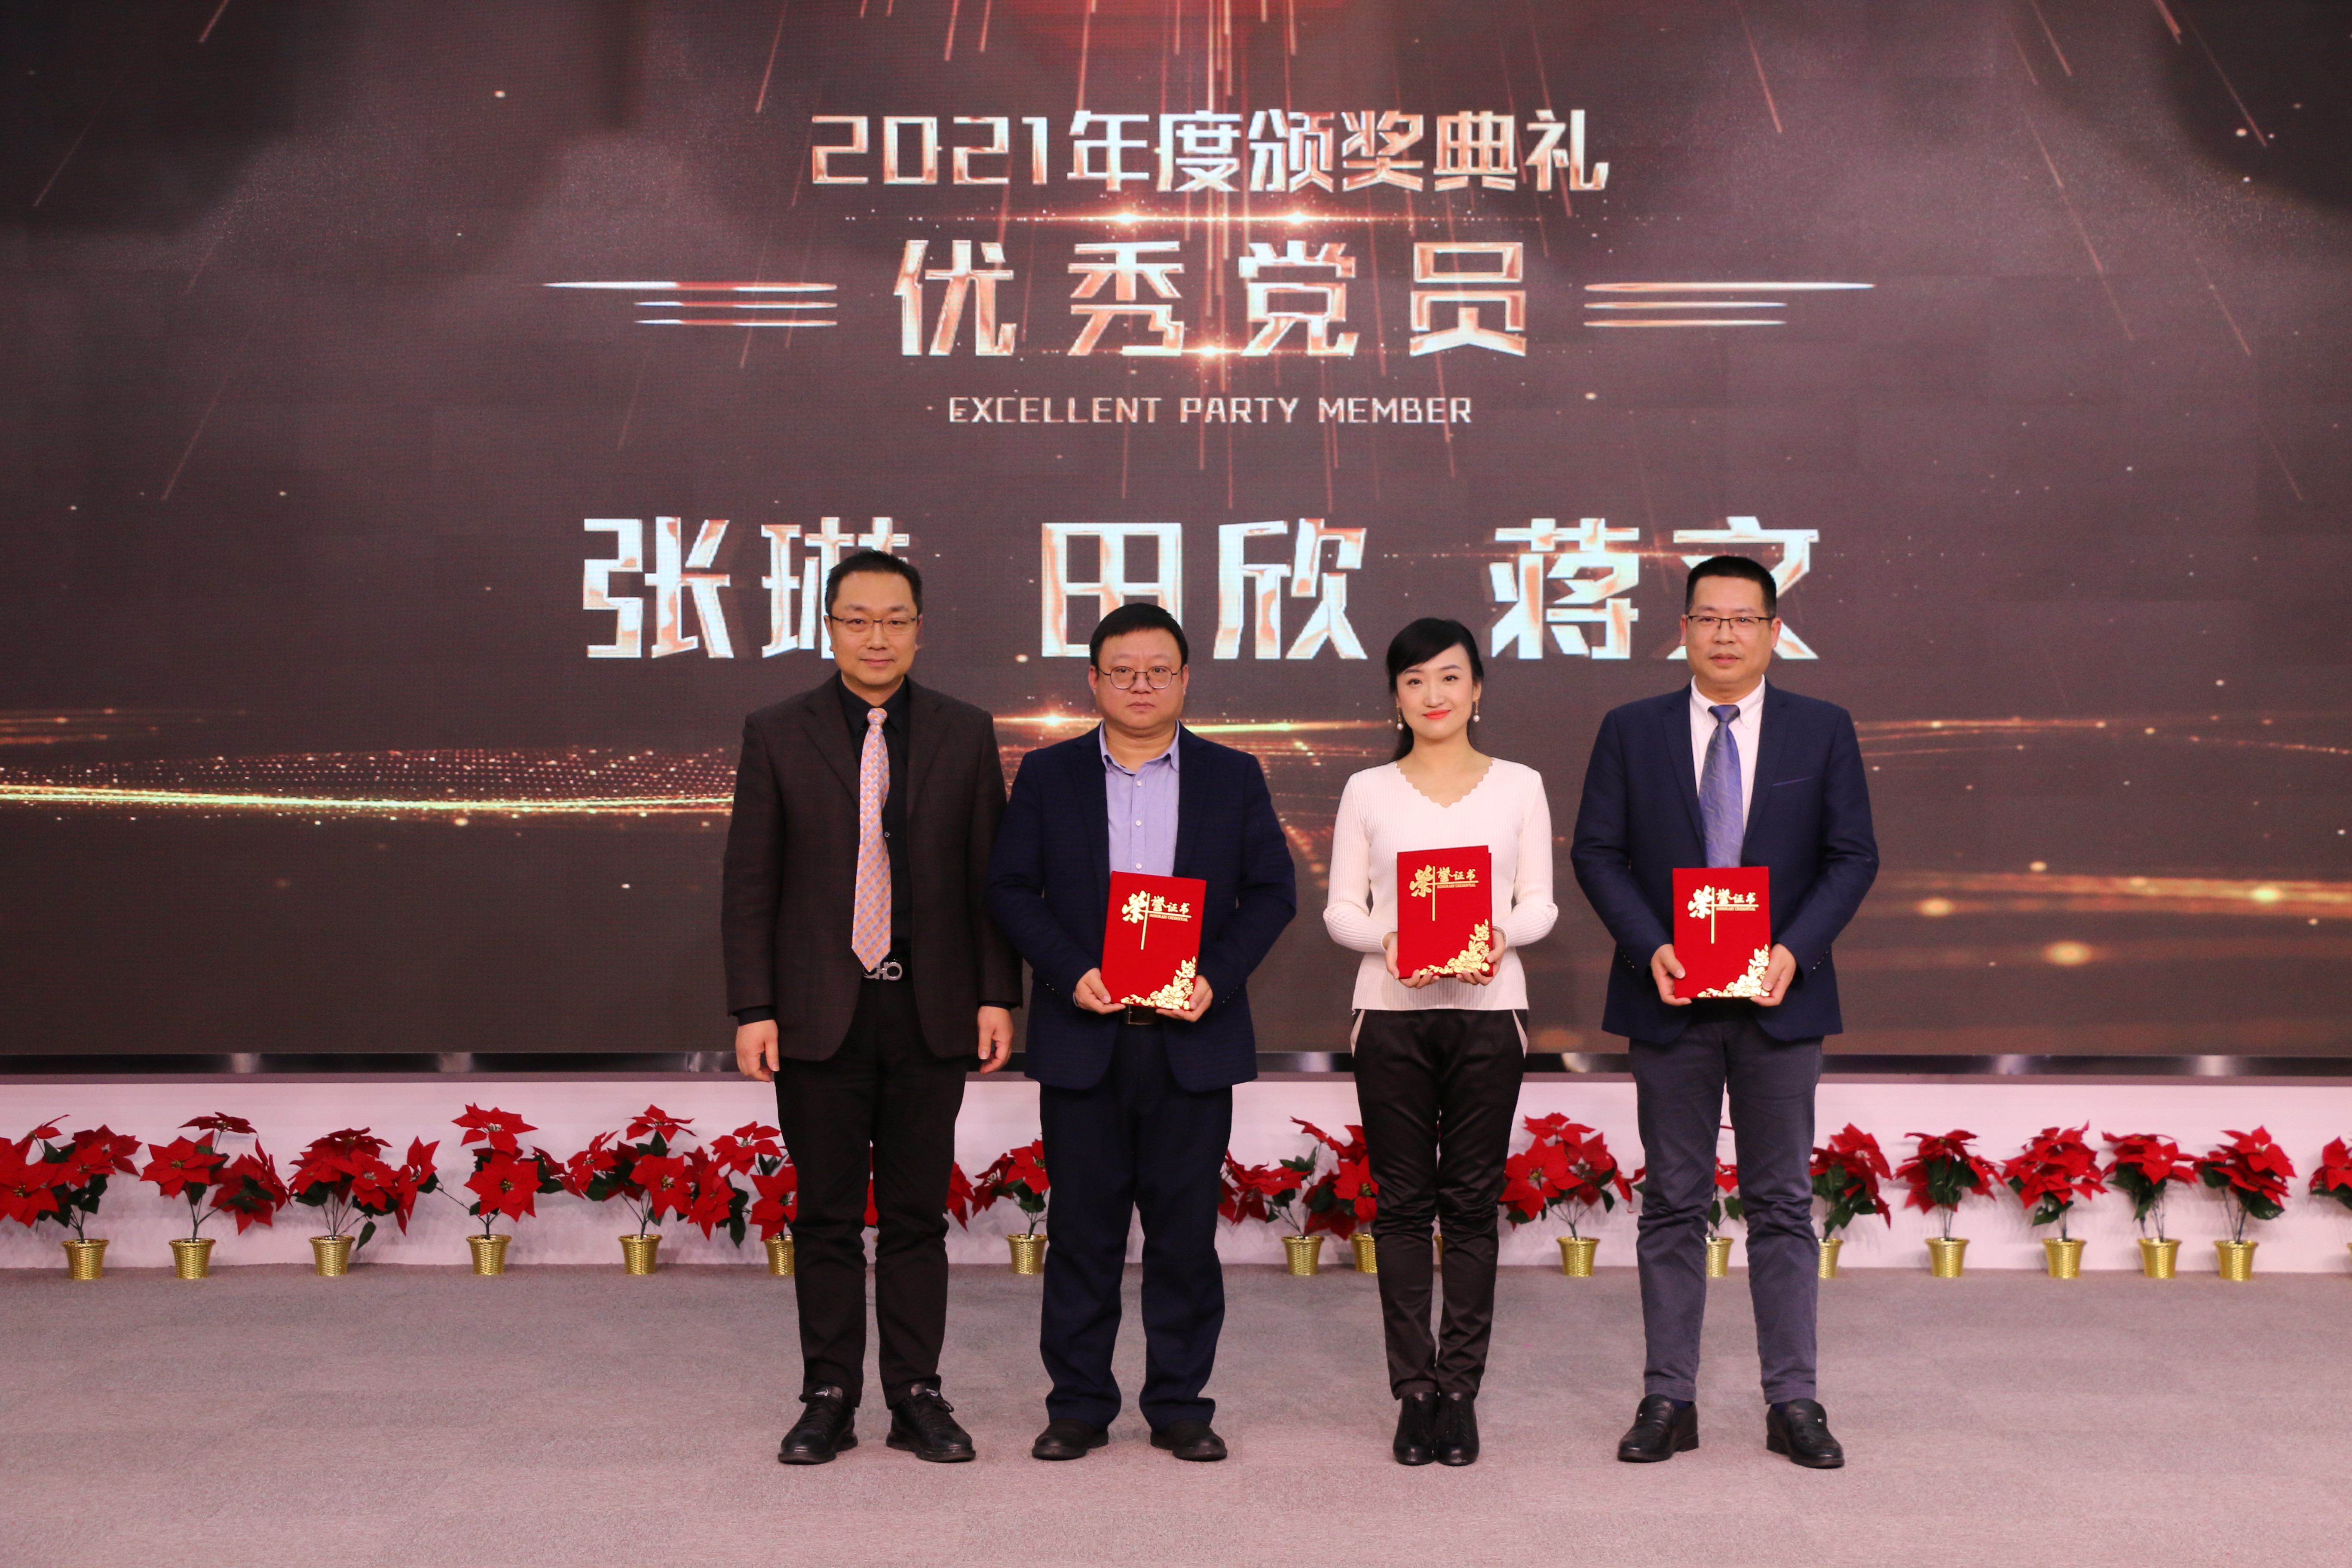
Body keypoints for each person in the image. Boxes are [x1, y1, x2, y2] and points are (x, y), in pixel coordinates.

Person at [1568, 554, 1877, 1470]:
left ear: (1775, 632)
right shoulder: (1632, 729)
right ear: (1684, 630)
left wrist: (1794, 951)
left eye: (1744, 619)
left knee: (1781, 1203)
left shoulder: (1822, 728)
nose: (1726, 635)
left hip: (1781, 997)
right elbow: (1597, 853)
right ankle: (1669, 1398)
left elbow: (1852, 856)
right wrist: (1650, 947)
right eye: (1708, 618)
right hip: (1670, 996)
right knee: (1673, 1201)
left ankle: (1795, 1402)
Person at [722, 548, 1022, 1467]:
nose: (877, 637)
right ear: (830, 628)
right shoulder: (778, 732)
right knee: (825, 1216)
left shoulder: (965, 732)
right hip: (819, 1013)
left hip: (931, 1009)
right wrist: (754, 1006)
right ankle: (828, 1395)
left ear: (920, 629)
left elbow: (990, 879)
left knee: (916, 1216)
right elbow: (752, 882)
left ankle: (916, 1394)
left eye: (895, 619)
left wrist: (995, 992)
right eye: (858, 620)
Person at [984, 602, 1295, 1464]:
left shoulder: (1233, 775)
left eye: (1159, 670)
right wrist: (1067, 970)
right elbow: (1009, 888)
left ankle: (1180, 1405)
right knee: (1082, 1232)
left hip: (1191, 1036)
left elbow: (1273, 892)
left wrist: (1215, 977)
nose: (1141, 686)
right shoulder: (1048, 775)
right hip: (1085, 1033)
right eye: (1123, 671)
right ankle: (1079, 1405)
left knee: (1184, 1235)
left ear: (1186, 679)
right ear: (1094, 681)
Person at [1323, 618, 1558, 1467]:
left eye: (1450, 677)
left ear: (1477, 689)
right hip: (1390, 1014)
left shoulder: (1520, 786)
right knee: (1401, 1204)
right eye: (1415, 680)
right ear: (1396, 695)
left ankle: (1459, 1392)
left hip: (1491, 1011)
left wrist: (1497, 936)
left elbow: (1540, 903)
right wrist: (1389, 940)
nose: (1434, 695)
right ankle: (1412, 1391)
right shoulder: (1367, 790)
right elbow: (1341, 910)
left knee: (1469, 1202)